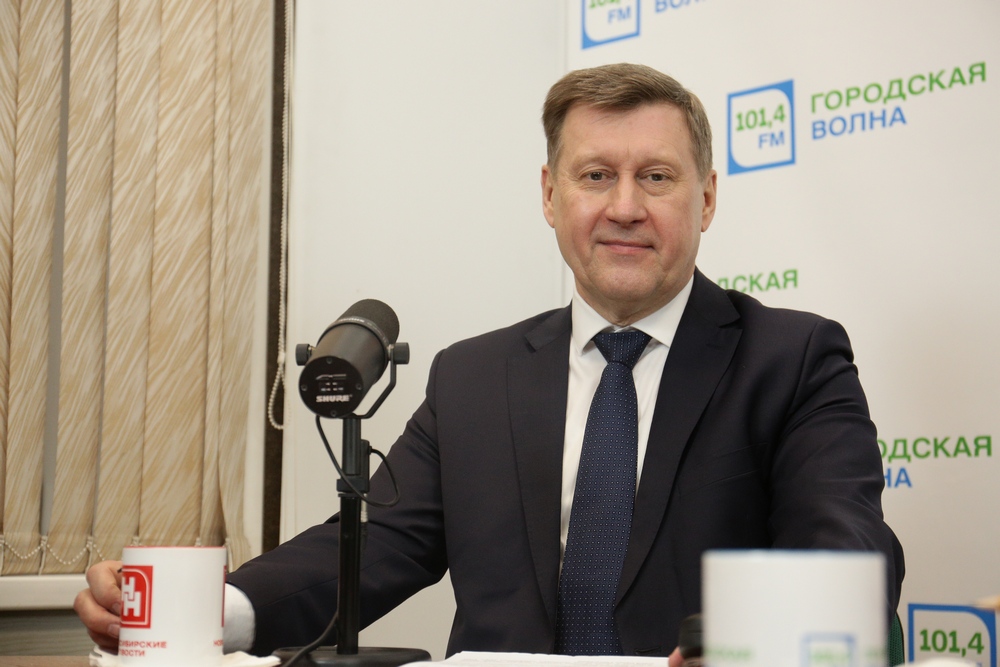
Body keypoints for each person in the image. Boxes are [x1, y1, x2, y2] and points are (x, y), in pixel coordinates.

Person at [75, 63, 904, 663]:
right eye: (595, 175)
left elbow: (844, 539)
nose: (624, 206)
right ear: (549, 194)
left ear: (708, 198)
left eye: (656, 176)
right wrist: (202, 612)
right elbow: (377, 544)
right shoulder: (473, 377)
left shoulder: (792, 358)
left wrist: (762, 644)